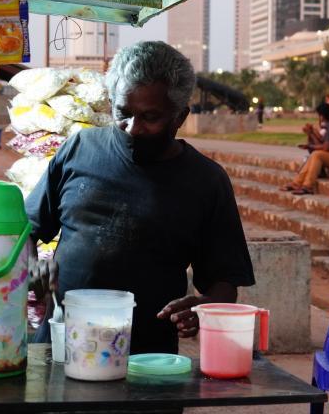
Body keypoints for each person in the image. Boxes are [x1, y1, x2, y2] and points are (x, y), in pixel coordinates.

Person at [25, 41, 256, 354]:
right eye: (123, 113)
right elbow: (29, 227)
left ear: (180, 116)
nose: (132, 128)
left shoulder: (206, 181)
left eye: (150, 117)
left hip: (147, 358)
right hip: (64, 345)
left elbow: (225, 282)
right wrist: (32, 263)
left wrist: (202, 308)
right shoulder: (80, 149)